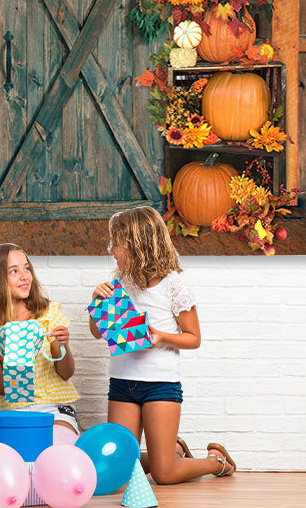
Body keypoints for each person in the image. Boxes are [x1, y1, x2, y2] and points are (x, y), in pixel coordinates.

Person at [90, 206, 236, 484]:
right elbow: (98, 333)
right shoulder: (119, 282)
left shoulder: (173, 286)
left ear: (137, 245)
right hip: (122, 383)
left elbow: (193, 338)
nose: (112, 250)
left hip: (160, 385)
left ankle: (216, 463)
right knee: (119, 467)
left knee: (163, 474)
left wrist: (160, 336)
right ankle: (173, 452)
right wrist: (97, 300)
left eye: (117, 244)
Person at [0, 243, 79, 434]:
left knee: (58, 445)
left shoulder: (48, 313)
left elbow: (66, 373)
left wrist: (62, 345)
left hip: (55, 408)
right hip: (12, 410)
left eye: (26, 268)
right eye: (14, 271)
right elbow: (1, 390)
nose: (24, 276)